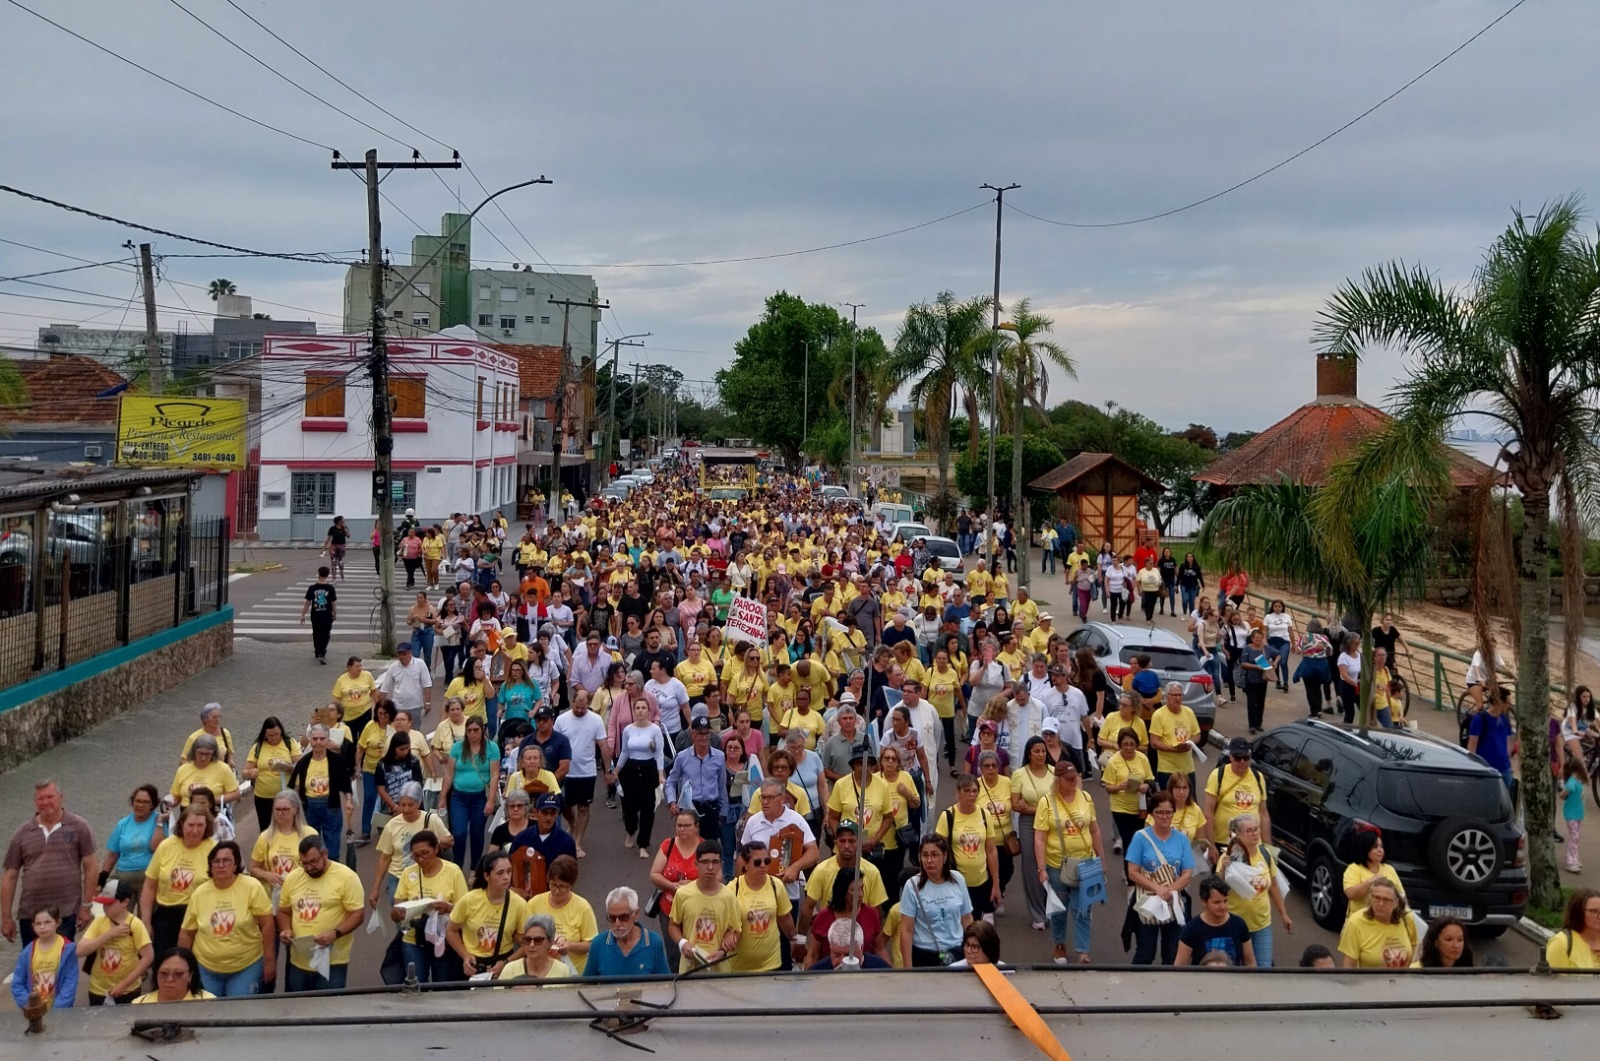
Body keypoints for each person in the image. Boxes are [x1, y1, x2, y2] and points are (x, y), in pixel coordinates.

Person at [179, 841, 275, 997]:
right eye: (216, 861)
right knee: (208, 1013)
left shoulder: (252, 887)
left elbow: (267, 924)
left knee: (238, 1012)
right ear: (210, 866)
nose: (221, 865)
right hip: (206, 968)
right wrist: (183, 967)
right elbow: (186, 933)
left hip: (246, 966)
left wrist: (270, 960)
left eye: (226, 860)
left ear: (236, 864)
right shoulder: (200, 893)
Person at [1035, 759, 1103, 965]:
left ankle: (1083, 950)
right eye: (1069, 778)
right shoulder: (1046, 802)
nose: (1074, 781)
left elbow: (1094, 829)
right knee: (1059, 907)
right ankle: (1059, 945)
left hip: (1086, 862)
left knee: (1083, 907)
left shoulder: (1086, 798)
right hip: (1057, 864)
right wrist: (1041, 868)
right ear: (1058, 780)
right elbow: (1040, 837)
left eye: (1075, 777)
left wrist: (1102, 859)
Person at [276, 836, 364, 991]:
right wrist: (286, 929)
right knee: (298, 1009)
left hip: (332, 961)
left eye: (313, 862)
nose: (309, 868)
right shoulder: (293, 878)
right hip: (299, 960)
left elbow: (357, 914)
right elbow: (283, 911)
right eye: (304, 863)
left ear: (325, 854)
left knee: (329, 1010)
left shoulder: (346, 877)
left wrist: (335, 933)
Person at [1125, 792, 1196, 965]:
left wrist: (1169, 890)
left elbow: (1187, 873)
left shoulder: (1182, 840)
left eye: (1168, 812)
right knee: (1145, 952)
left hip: (1173, 901)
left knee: (1172, 954)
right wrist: (1157, 888)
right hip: (1147, 901)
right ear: (1152, 813)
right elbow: (1132, 872)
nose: (1164, 816)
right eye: (1159, 812)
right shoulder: (1140, 838)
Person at [390, 829, 467, 984]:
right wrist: (399, 913)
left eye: (425, 853)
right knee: (416, 985)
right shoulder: (408, 873)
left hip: (444, 939)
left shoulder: (453, 871)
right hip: (414, 938)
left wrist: (448, 907)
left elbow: (465, 909)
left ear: (436, 849)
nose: (421, 859)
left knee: (443, 984)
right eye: (415, 855)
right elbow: (395, 912)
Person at [1215, 812, 1291, 967]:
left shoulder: (1265, 853)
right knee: (1232, 968)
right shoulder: (1227, 858)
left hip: (1262, 925)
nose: (1255, 833)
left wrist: (1284, 914)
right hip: (1234, 925)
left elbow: (1274, 886)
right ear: (1237, 834)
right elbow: (1217, 888)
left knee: (1263, 969)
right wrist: (1223, 869)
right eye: (1249, 830)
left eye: (1256, 829)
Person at [141, 805, 216, 957]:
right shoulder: (166, 846)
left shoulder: (214, 849)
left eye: (200, 825)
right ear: (181, 824)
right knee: (163, 962)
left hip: (198, 916)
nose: (195, 830)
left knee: (192, 965)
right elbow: (149, 886)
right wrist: (146, 922)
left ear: (207, 826)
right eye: (191, 825)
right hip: (165, 915)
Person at [446, 850, 529, 979]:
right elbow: (451, 930)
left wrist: (507, 962)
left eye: (509, 871)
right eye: (500, 873)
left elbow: (527, 943)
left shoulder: (519, 904)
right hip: (473, 963)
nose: (506, 877)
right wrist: (465, 956)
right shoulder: (469, 899)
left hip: (502, 962)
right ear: (486, 876)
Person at [370, 783, 452, 910]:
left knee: (423, 917)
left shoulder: (431, 819)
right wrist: (375, 889)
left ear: (418, 803)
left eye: (410, 804)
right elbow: (385, 858)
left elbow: (450, 841)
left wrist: (432, 838)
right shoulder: (392, 825)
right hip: (398, 878)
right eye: (402, 805)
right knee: (401, 919)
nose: (406, 809)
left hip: (424, 877)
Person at [899, 834, 972, 967]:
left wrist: (972, 949)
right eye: (925, 855)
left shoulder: (958, 880)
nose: (929, 860)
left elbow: (967, 918)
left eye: (934, 855)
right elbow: (906, 929)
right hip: (924, 955)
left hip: (956, 952)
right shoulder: (912, 886)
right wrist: (908, 968)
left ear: (944, 857)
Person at [77, 879, 154, 1005]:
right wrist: (109, 934)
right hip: (98, 989)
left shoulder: (135, 925)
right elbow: (80, 950)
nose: (105, 907)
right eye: (103, 904)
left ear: (125, 902)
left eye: (109, 904)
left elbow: (148, 957)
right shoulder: (99, 922)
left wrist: (124, 985)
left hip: (128, 990)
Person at [666, 840, 741, 969]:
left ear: (721, 865)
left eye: (715, 862)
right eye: (705, 862)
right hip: (689, 968)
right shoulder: (683, 894)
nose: (710, 867)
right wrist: (683, 944)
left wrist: (723, 951)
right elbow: (673, 925)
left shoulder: (728, 896)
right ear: (696, 864)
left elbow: (736, 930)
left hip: (720, 969)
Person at [937, 771, 1001, 920]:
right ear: (958, 793)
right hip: (955, 883)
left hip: (980, 882)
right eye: (967, 790)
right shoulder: (948, 816)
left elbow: (991, 851)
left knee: (974, 925)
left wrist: (996, 884)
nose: (971, 794)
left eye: (974, 791)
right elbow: (939, 853)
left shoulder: (985, 815)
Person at [287, 725, 356, 864]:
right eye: (315, 739)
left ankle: (332, 871)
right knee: (310, 845)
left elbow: (345, 784)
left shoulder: (337, 761)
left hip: (331, 806)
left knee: (332, 846)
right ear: (310, 740)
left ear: (327, 740)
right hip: (309, 808)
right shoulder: (304, 762)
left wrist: (348, 800)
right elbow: (294, 786)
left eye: (322, 739)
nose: (318, 742)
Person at [440, 717, 501, 870]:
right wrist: (442, 797)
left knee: (476, 834)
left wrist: (491, 800)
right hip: (458, 797)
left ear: (482, 730)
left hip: (479, 797)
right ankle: (457, 867)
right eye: (469, 731)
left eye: (476, 730)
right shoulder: (458, 748)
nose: (472, 734)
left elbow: (494, 775)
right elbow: (449, 773)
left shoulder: (492, 748)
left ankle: (475, 868)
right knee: (459, 833)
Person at [729, 840, 797, 972]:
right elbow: (725, 923)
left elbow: (785, 918)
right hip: (739, 966)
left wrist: (794, 941)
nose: (763, 865)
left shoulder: (776, 885)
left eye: (766, 861)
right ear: (746, 864)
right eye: (757, 862)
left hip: (771, 963)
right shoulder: (733, 888)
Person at [665, 717, 730, 851]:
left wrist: (723, 812)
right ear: (693, 734)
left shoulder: (719, 757)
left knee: (709, 851)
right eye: (700, 733)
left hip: (711, 809)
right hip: (689, 808)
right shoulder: (682, 757)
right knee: (688, 848)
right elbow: (671, 782)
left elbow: (721, 786)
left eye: (706, 733)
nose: (704, 737)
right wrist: (672, 802)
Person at [1011, 737, 1054, 931]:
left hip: (1051, 824)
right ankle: (1037, 913)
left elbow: (1060, 802)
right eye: (1036, 751)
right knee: (1031, 866)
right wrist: (1036, 809)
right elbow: (1016, 804)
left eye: (1043, 751)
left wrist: (1031, 807)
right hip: (1029, 825)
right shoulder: (1019, 774)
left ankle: (1050, 907)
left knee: (1051, 864)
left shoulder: (1055, 773)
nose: (1041, 754)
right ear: (1029, 753)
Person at [582, 886, 673, 977]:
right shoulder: (598, 944)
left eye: (623, 917)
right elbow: (587, 986)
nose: (617, 924)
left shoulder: (653, 942)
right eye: (612, 918)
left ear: (636, 914)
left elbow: (665, 984)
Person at [618, 699, 668, 853]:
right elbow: (625, 752)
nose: (640, 710)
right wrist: (616, 771)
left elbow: (659, 753)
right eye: (637, 708)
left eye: (643, 708)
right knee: (629, 806)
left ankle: (643, 844)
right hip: (631, 768)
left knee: (648, 808)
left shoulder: (655, 730)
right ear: (634, 711)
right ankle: (631, 830)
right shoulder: (628, 730)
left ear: (649, 711)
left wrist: (660, 773)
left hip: (649, 769)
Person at [1203, 737, 1272, 849]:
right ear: (1230, 757)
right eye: (1238, 758)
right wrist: (1210, 846)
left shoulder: (1258, 777)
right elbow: (1208, 812)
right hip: (1224, 843)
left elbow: (1263, 813)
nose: (1242, 762)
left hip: (1253, 844)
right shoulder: (1217, 775)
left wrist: (1268, 847)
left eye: (1246, 758)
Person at [10, 906, 77, 1016]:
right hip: (34, 1012)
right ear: (33, 926)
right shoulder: (27, 952)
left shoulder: (67, 950)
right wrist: (30, 1005)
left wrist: (57, 1010)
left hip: (61, 1011)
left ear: (58, 922)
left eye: (47, 922)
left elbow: (70, 983)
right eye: (38, 923)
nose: (42, 927)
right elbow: (17, 983)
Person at [1174, 875, 1254, 967]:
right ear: (1204, 902)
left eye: (1225, 901)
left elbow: (1250, 963)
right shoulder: (1192, 929)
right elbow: (1179, 966)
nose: (1223, 907)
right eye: (1217, 902)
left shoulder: (1239, 924)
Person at [528, 854, 597, 960]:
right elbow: (524, 938)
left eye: (563, 887)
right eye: (553, 884)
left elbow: (592, 944)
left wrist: (570, 946)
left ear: (572, 886)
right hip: (541, 969)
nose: (556, 891)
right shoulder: (534, 904)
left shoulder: (583, 908)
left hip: (572, 972)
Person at [250, 792, 317, 899]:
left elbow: (320, 865)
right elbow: (253, 868)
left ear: (296, 809)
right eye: (277, 809)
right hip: (275, 895)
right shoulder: (265, 837)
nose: (280, 813)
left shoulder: (309, 834)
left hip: (303, 892)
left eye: (285, 809)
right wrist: (267, 875)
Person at [100, 784, 163, 898]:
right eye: (137, 801)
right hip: (124, 878)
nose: (140, 805)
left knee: (145, 916)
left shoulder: (160, 821)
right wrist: (102, 879)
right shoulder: (123, 824)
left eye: (145, 802)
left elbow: (159, 849)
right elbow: (112, 855)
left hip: (149, 879)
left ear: (152, 805)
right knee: (121, 915)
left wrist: (159, 823)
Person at [1336, 878, 1414, 968]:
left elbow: (1414, 949)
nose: (1380, 904)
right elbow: (1349, 965)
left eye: (1386, 900)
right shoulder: (1356, 923)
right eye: (1376, 898)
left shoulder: (1406, 919)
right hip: (1370, 981)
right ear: (1370, 898)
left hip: (1403, 981)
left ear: (1396, 903)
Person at [1101, 727, 1154, 858]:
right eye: (1125, 744)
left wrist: (1145, 786)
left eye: (1132, 744)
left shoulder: (1142, 759)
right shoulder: (1113, 762)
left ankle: (1135, 871)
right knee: (1129, 841)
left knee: (1139, 840)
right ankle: (1128, 874)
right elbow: (1108, 787)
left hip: (1140, 807)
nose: (1129, 748)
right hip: (1121, 808)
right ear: (1119, 745)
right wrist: (1119, 786)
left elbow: (1150, 779)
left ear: (1136, 744)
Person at [242, 717, 301, 832]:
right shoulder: (258, 747)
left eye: (276, 734)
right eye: (270, 735)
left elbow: (301, 767)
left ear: (281, 732)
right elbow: (244, 773)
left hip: (286, 797)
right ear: (265, 734)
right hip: (263, 798)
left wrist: (287, 767)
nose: (274, 738)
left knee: (287, 828)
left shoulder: (289, 743)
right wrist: (250, 773)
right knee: (266, 830)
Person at [1343, 831, 1405, 920]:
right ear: (1365, 848)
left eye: (1381, 846)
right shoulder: (1354, 869)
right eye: (1375, 847)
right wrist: (1371, 881)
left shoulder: (1389, 869)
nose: (1380, 850)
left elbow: (1401, 895)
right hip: (1360, 922)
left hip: (1386, 921)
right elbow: (1351, 894)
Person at [497, 913, 577, 980]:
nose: (531, 945)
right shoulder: (510, 969)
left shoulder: (563, 971)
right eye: (528, 940)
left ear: (550, 942)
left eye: (538, 940)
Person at [1466, 686, 1516, 794]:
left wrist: (1509, 764)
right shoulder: (1479, 720)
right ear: (1499, 701)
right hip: (1486, 771)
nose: (1509, 706)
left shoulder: (1504, 719)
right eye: (1508, 702)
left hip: (1505, 769)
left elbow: (1507, 742)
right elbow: (1472, 746)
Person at [131, 947, 215, 1004]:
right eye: (164, 973)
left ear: (190, 975)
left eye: (178, 974)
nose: (169, 979)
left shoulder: (208, 1002)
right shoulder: (140, 1004)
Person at [378, 641, 433, 725]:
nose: (401, 656)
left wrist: (427, 702)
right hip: (397, 706)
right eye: (399, 654)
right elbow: (385, 688)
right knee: (398, 730)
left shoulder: (420, 664)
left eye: (404, 654)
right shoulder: (393, 667)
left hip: (415, 706)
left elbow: (427, 684)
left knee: (414, 731)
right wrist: (380, 706)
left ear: (410, 653)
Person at [1545, 887, 1600, 970]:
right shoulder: (1561, 943)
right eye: (1594, 911)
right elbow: (1552, 981)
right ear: (1578, 912)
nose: (1599, 916)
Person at [810, 917, 891, 970]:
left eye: (848, 955)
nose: (842, 962)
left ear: (861, 948)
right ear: (830, 948)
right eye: (836, 954)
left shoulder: (881, 970)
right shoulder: (816, 973)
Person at [298, 566, 338, 664]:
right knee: (325, 634)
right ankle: (322, 652)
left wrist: (303, 615)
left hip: (315, 615)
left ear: (318, 574)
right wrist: (335, 613)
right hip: (327, 615)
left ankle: (318, 651)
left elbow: (308, 602)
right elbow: (333, 603)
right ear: (328, 575)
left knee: (316, 633)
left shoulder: (312, 588)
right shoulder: (330, 588)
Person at [1563, 753, 1587, 873]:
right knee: (1574, 837)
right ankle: (1570, 861)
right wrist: (1565, 793)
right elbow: (1564, 793)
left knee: (1575, 838)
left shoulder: (1577, 781)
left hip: (1576, 814)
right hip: (1572, 814)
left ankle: (1574, 858)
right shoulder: (1572, 782)